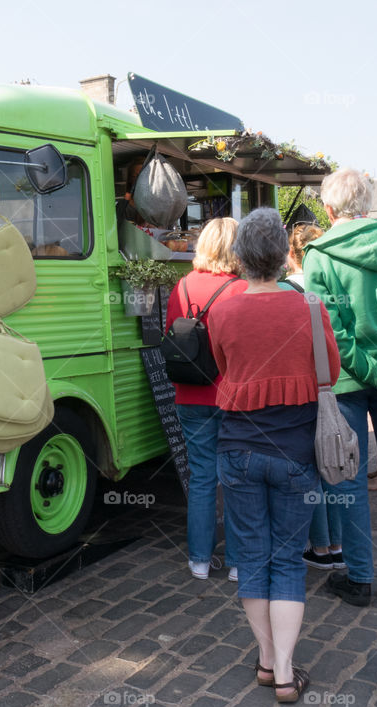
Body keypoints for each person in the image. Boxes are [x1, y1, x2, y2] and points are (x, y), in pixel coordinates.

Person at [209, 208, 340, 704]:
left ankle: (265, 661)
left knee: (251, 558)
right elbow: (331, 367)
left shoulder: (222, 310)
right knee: (287, 560)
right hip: (296, 453)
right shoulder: (309, 305)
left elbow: (224, 368)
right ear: (285, 255)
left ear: (240, 257)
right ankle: (284, 670)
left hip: (238, 450)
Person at [302, 168, 377, 606]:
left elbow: (331, 332)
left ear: (329, 208)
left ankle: (359, 579)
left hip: (350, 380)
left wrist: (374, 375)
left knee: (346, 477)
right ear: (367, 202)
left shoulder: (318, 255)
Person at [165, 217, 248, 581]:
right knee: (235, 480)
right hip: (230, 397)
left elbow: (169, 336)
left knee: (201, 477)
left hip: (189, 395)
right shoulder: (241, 289)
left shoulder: (181, 287)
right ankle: (237, 562)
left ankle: (199, 560)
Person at [286, 222, 345, 570]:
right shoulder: (330, 284)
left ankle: (320, 547)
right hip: (332, 385)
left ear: (292, 253)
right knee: (334, 464)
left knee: (314, 470)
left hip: (304, 388)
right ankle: (339, 545)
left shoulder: (290, 289)